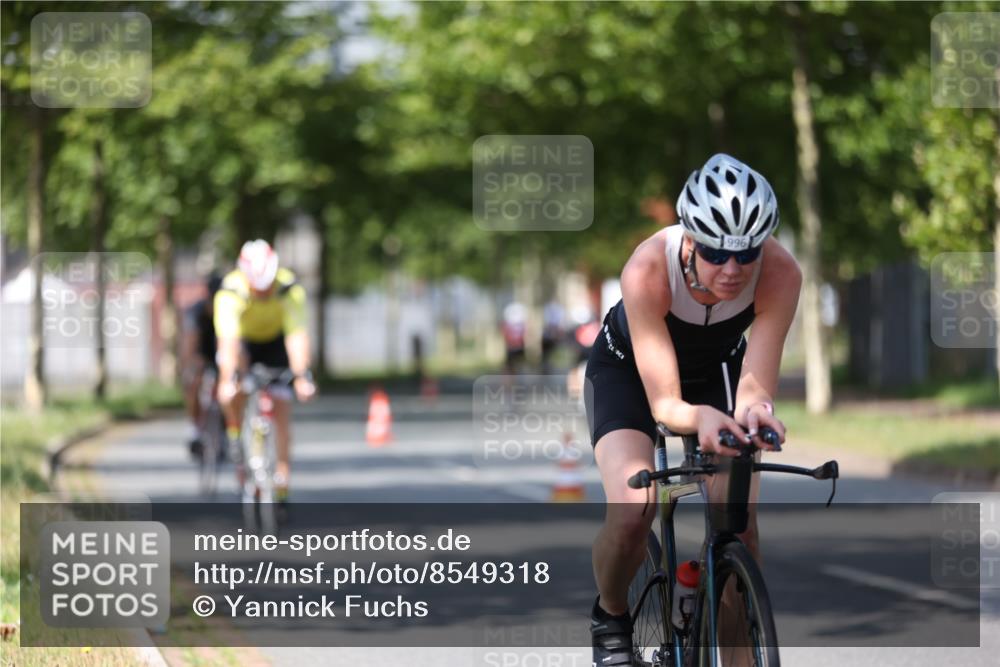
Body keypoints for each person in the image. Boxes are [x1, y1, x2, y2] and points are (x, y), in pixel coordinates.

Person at [585, 154, 801, 665]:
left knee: (739, 525)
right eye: (714, 253)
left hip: (715, 373)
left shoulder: (781, 274)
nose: (732, 270)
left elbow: (754, 385)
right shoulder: (647, 270)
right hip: (629, 375)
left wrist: (758, 414)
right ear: (688, 238)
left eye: (746, 255)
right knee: (634, 508)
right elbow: (664, 403)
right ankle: (610, 616)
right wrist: (701, 417)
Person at [214, 240, 316, 514]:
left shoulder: (288, 288)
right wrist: (227, 380)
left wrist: (302, 376)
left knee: (282, 409)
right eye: (257, 288)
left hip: (275, 343)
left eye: (266, 286)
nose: (263, 291)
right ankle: (235, 434)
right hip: (244, 343)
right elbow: (229, 343)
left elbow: (296, 336)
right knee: (231, 389)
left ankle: (282, 486)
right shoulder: (230, 291)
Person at [181, 272, 223, 460]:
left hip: (223, 352)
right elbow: (190, 346)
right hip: (202, 353)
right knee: (194, 382)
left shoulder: (231, 310)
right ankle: (195, 430)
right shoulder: (195, 313)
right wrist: (192, 365)